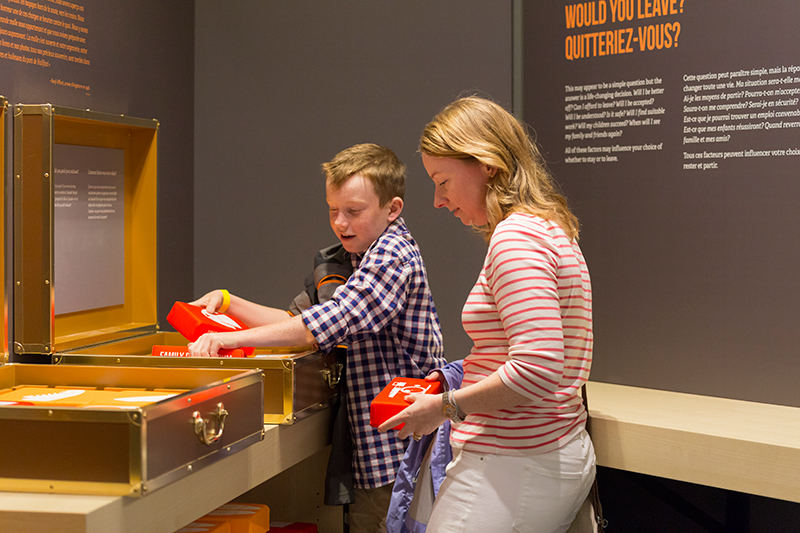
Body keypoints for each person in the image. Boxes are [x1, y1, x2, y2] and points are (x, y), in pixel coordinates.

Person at [188, 143, 446, 533]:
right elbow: (299, 319)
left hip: (395, 451)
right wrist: (229, 302)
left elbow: (323, 323)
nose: (340, 223)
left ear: (392, 209)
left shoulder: (391, 255)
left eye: (354, 212)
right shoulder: (359, 253)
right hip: (377, 445)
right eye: (332, 210)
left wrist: (228, 341)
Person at [378, 96, 595, 533]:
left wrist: (443, 407)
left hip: (513, 467)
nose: (438, 201)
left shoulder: (516, 237)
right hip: (537, 458)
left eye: (443, 181)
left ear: (487, 164)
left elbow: (535, 368)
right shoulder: (547, 226)